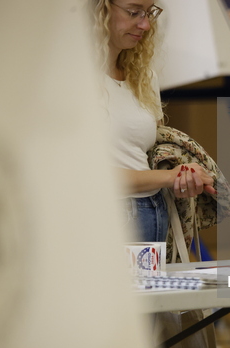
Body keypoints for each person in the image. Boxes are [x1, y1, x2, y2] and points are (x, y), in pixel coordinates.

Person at [90, 0, 216, 243]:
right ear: (98, 8)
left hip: (152, 209)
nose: (146, 25)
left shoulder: (144, 77)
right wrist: (169, 177)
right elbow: (84, 174)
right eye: (134, 12)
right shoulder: (71, 79)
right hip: (105, 215)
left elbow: (143, 155)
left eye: (149, 13)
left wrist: (183, 178)